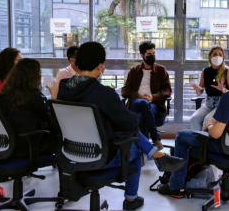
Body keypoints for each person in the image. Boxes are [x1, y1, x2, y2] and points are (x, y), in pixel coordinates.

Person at [57, 42, 185, 210]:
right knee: (133, 145)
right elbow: (131, 123)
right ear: (99, 66)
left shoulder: (64, 88)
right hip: (100, 156)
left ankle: (156, 155)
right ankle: (132, 199)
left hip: (70, 153)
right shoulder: (103, 93)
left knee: (125, 128)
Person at [157, 43, 229, 197]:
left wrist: (210, 124)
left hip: (225, 146)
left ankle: (176, 187)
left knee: (182, 136)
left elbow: (215, 134)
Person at [0, 58, 57, 157]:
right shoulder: (33, 96)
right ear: (33, 77)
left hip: (7, 144)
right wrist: (53, 95)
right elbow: (49, 119)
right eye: (39, 73)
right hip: (28, 145)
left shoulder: (5, 94)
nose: (40, 76)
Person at [121, 41, 172, 151]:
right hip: (136, 102)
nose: (152, 56)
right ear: (142, 55)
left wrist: (153, 97)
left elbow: (168, 90)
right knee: (142, 102)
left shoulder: (161, 70)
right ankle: (155, 138)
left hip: (153, 104)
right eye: (149, 54)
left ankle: (141, 151)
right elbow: (125, 90)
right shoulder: (134, 71)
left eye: (153, 53)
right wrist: (138, 95)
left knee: (140, 117)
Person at [189, 45, 229, 130]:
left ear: (223, 57)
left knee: (207, 120)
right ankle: (198, 142)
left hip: (222, 104)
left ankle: (207, 142)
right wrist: (198, 90)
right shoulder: (205, 71)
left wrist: (223, 90)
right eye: (215, 54)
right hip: (209, 103)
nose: (217, 56)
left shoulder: (228, 72)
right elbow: (200, 93)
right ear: (210, 57)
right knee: (193, 119)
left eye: (220, 54)